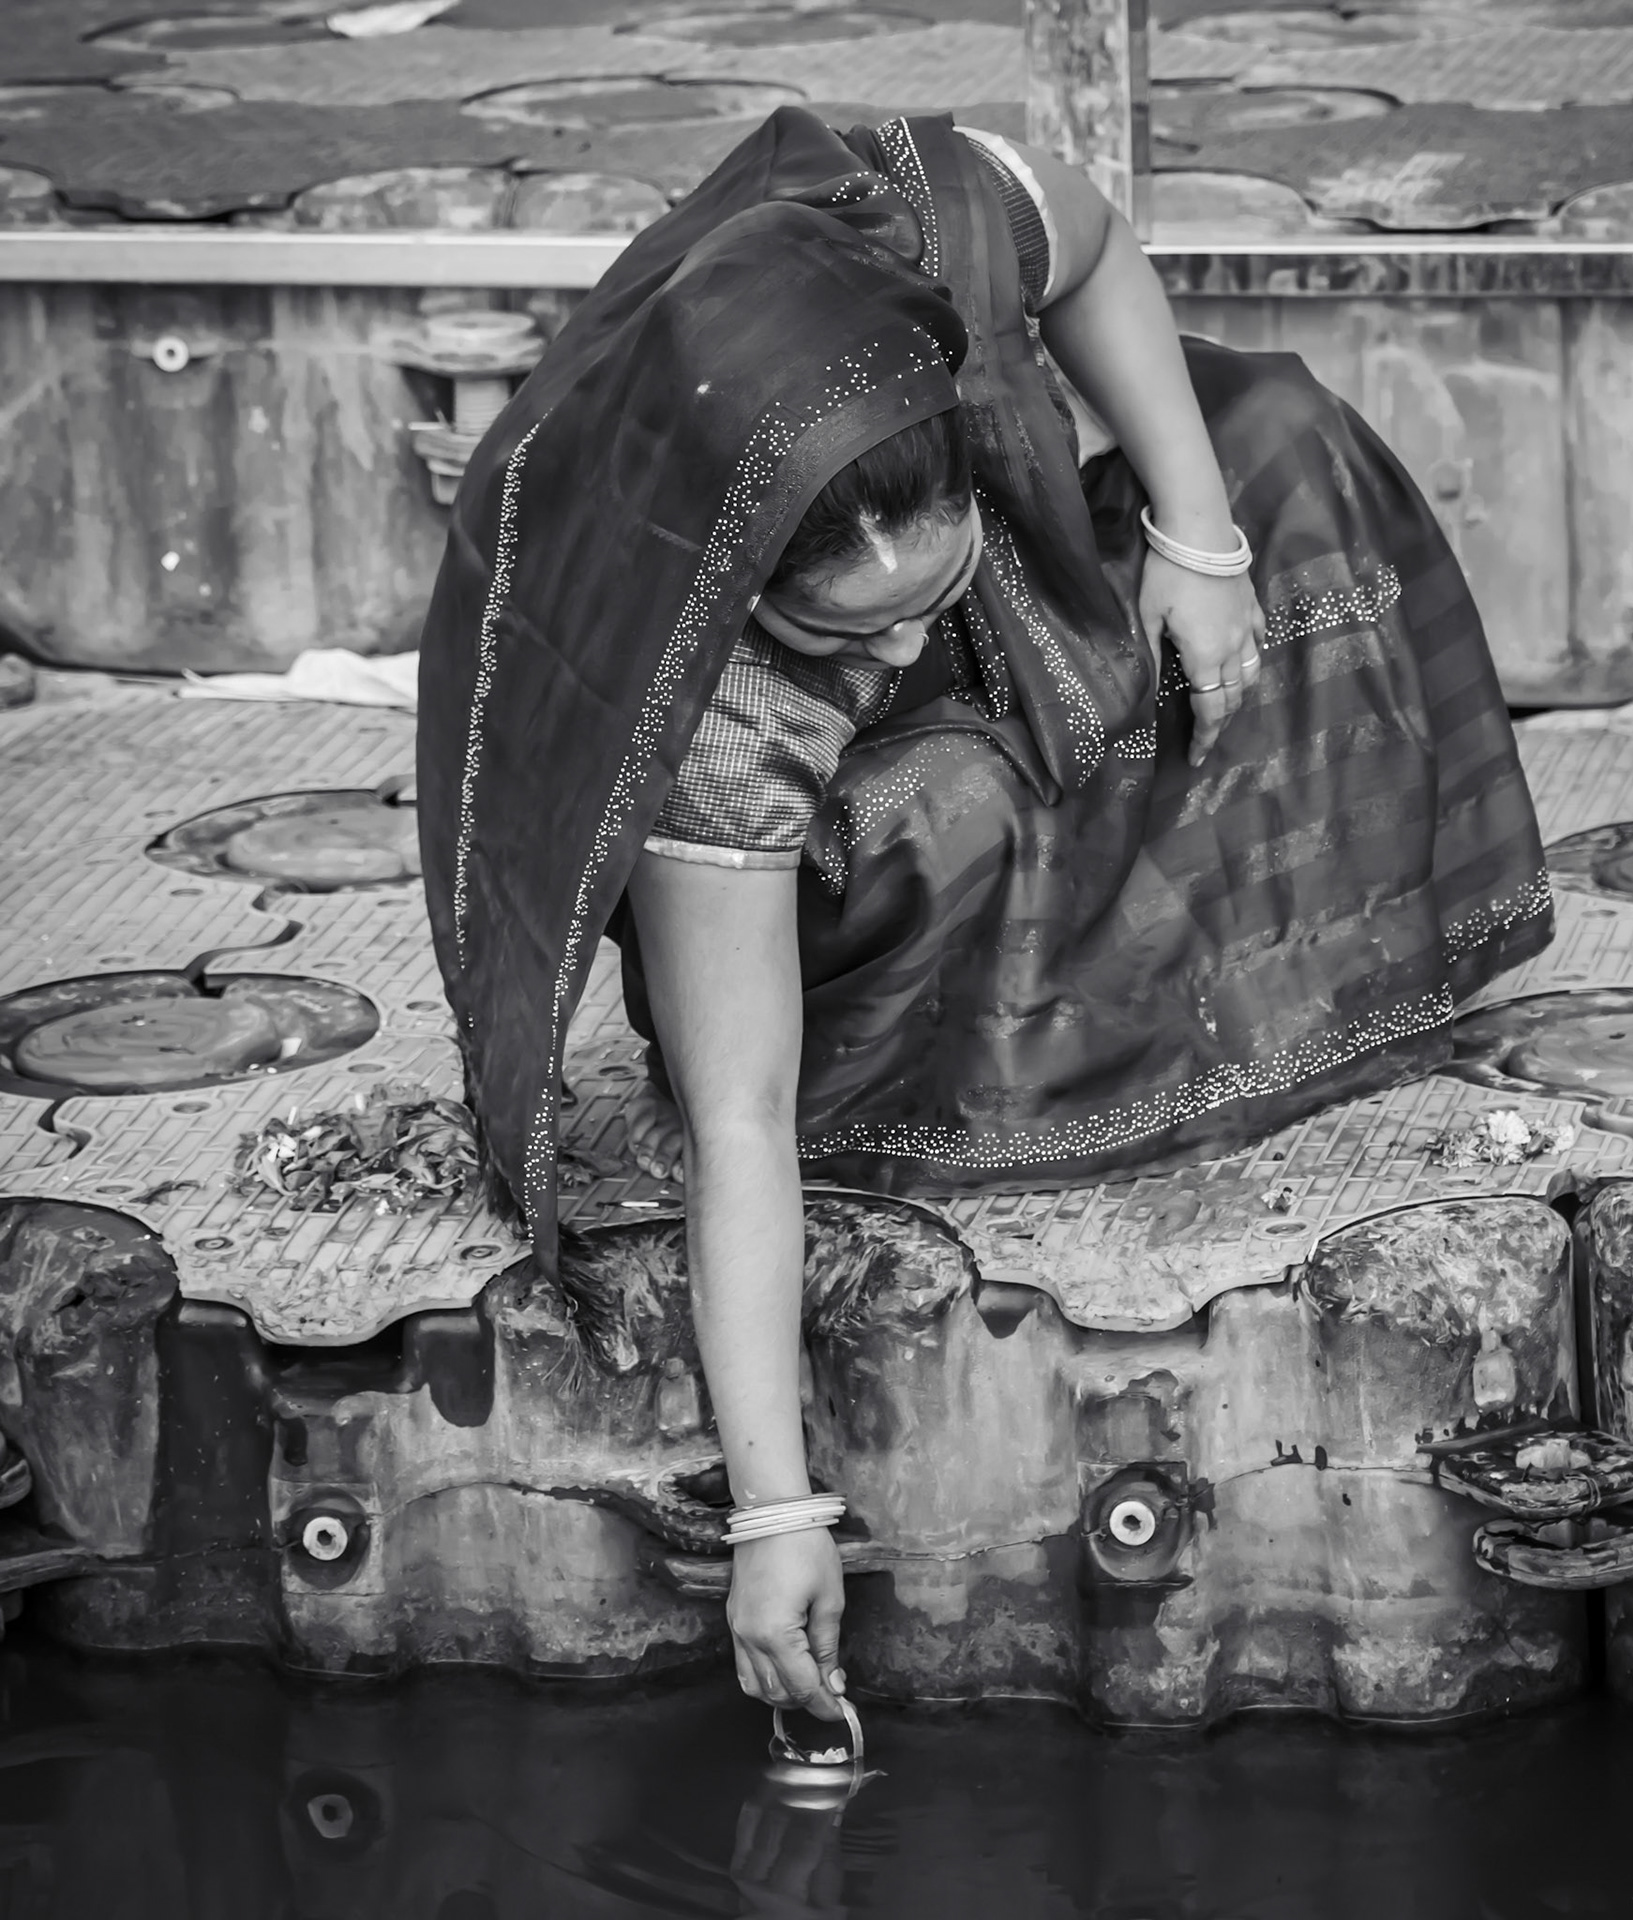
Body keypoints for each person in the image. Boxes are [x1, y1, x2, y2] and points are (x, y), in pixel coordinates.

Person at [418, 110, 1551, 1729]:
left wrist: (1196, 540)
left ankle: (1140, 858)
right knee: (940, 789)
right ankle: (1024, 1023)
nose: (886, 655)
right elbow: (736, 1125)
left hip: (1029, 651)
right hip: (845, 927)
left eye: (924, 599)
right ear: (751, 594)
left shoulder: (915, 222)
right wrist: (778, 1515)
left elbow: (1090, 248)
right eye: (845, 637)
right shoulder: (705, 705)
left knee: (1276, 430)